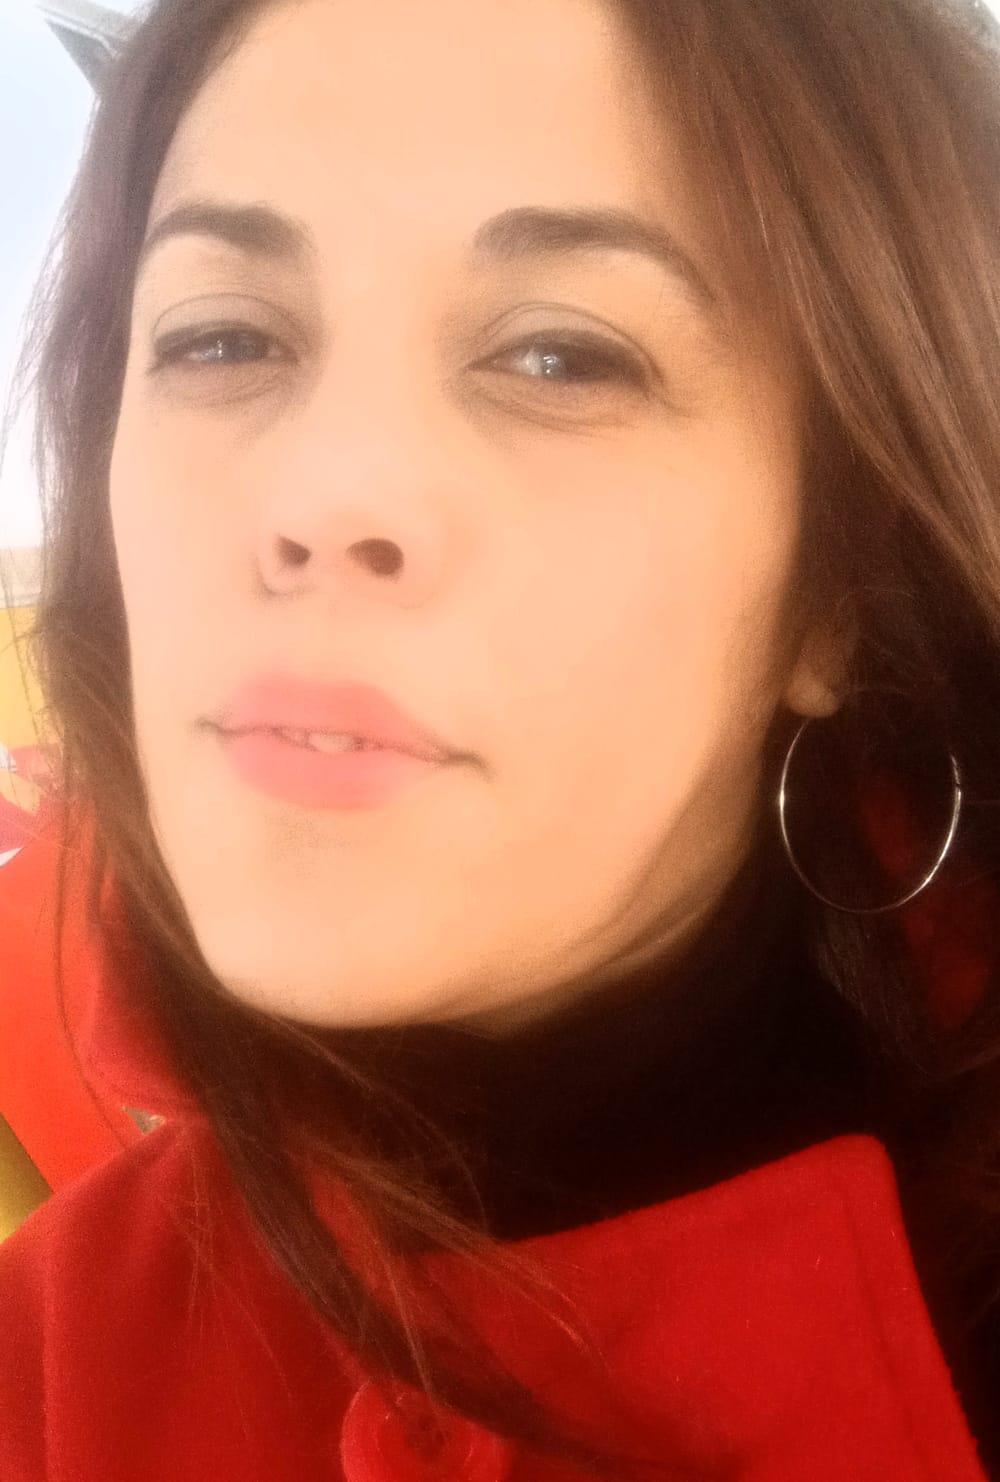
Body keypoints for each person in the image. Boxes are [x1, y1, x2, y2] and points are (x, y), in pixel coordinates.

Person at [1, 0, 999, 1476]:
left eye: (561, 358)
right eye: (221, 336)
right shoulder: (54, 1356)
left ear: (836, 599)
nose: (321, 491)